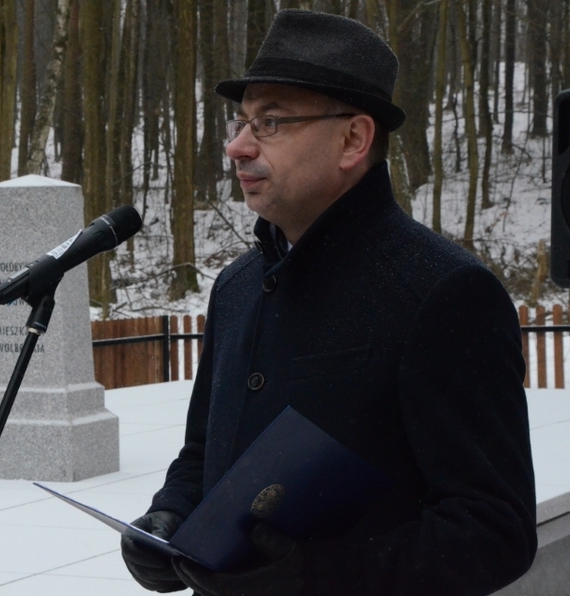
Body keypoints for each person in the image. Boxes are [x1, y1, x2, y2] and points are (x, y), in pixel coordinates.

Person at [121, 9, 537, 596]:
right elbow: (203, 454)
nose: (236, 146)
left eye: (269, 122)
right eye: (241, 122)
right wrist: (170, 516)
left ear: (353, 139)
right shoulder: (236, 287)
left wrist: (319, 575)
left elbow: (495, 530)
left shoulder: (443, 292)